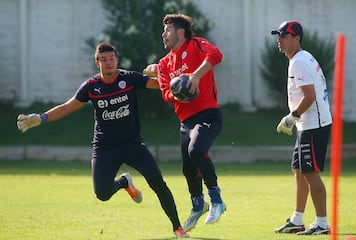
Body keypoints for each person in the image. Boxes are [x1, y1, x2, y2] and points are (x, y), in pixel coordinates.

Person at [16, 42, 189, 238]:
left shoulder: (129, 78)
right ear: (97, 63)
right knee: (102, 194)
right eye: (104, 60)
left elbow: (159, 85)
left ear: (117, 60)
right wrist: (41, 118)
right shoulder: (91, 87)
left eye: (112, 59)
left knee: (158, 183)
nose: (109, 63)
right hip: (105, 148)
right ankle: (124, 182)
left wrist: (173, 78)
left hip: (133, 144)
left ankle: (177, 228)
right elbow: (68, 106)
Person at [144, 13, 225, 232]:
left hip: (208, 114)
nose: (163, 34)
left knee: (197, 151)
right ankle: (198, 207)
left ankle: (216, 200)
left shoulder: (196, 44)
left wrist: (195, 77)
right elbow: (165, 94)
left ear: (180, 32)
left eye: (167, 30)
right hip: (186, 121)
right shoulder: (163, 63)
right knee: (189, 169)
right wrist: (178, 91)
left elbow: (216, 55)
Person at [271, 21, 332, 235]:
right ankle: (297, 219)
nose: (280, 39)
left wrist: (291, 117)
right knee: (299, 170)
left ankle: (322, 223)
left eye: (284, 36)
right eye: (278, 35)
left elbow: (310, 96)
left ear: (297, 38)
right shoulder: (300, 58)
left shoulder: (298, 61)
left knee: (310, 172)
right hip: (307, 124)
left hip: (313, 125)